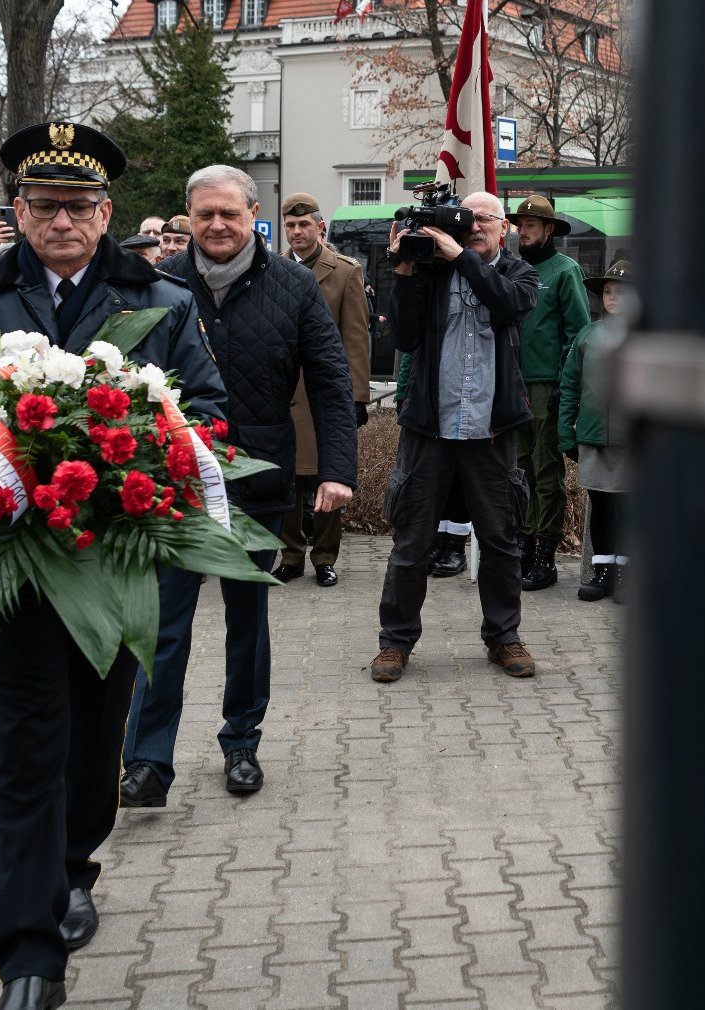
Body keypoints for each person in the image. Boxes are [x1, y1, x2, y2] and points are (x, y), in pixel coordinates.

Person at [0, 121, 227, 1010]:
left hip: (114, 564)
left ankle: (78, 863)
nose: (62, 222)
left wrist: (149, 460)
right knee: (26, 748)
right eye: (44, 206)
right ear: (19, 211)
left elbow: (204, 409)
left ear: (105, 213)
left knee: (93, 744)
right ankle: (31, 956)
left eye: (79, 207)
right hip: (11, 567)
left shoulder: (160, 300)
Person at [120, 166, 357, 807]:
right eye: (205, 216)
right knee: (162, 622)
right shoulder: (156, 285)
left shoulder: (294, 286)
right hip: (171, 482)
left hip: (258, 479)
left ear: (253, 213)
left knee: (247, 620)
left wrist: (336, 470)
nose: (218, 226)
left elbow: (331, 382)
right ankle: (146, 761)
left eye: (230, 214)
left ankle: (241, 742)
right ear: (186, 219)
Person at [368, 191, 541, 684]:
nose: (475, 225)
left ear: (503, 227)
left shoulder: (519, 274)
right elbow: (402, 337)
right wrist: (402, 271)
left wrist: (461, 258)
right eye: (467, 218)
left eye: (484, 218)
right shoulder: (431, 271)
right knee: (412, 542)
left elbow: (509, 305)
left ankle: (504, 637)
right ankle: (395, 643)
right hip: (431, 425)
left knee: (501, 539)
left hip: (491, 428)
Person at [273, 191, 370, 587]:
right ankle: (291, 555)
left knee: (330, 474)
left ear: (320, 227)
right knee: (286, 479)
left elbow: (356, 339)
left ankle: (325, 557)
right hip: (282, 392)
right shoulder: (273, 269)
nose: (297, 232)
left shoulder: (345, 272)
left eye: (304, 225)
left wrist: (357, 397)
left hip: (324, 394)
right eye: (291, 226)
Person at [504, 195, 590, 592]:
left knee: (545, 471)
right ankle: (522, 544)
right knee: (517, 470)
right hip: (512, 382)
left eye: (531, 226)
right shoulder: (512, 269)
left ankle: (545, 554)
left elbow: (578, 334)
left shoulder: (564, 271)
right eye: (520, 225)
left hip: (545, 385)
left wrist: (564, 385)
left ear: (549, 230)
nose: (523, 231)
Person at [559, 260, 631, 603]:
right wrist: (565, 433)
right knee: (601, 505)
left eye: (621, 292)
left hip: (631, 441)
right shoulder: (587, 335)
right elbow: (569, 385)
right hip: (593, 435)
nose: (613, 298)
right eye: (607, 291)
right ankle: (602, 571)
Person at [395, 349, 471, 577]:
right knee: (434, 476)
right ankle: (437, 542)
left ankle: (455, 547)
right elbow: (412, 350)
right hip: (430, 397)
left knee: (459, 476)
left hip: (465, 398)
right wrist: (402, 391)